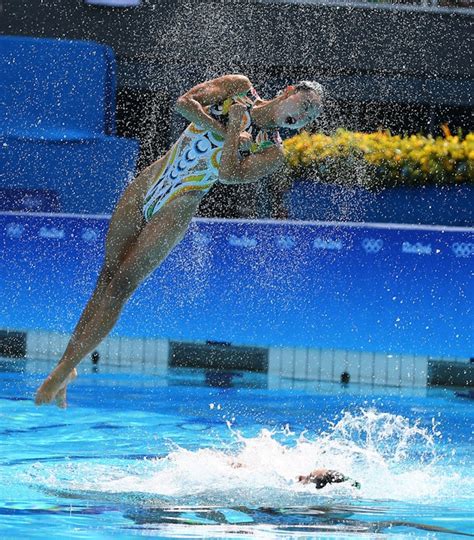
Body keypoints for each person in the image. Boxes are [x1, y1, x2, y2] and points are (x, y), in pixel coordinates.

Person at [35, 74, 324, 408]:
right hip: (151, 181)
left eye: (309, 118)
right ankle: (68, 364)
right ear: (287, 92)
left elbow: (229, 173)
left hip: (180, 203)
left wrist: (234, 130)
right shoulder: (238, 88)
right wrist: (225, 127)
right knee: (106, 275)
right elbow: (184, 104)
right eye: (303, 107)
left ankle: (63, 370)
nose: (301, 119)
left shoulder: (271, 150)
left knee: (122, 285)